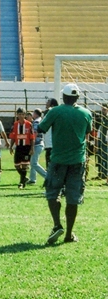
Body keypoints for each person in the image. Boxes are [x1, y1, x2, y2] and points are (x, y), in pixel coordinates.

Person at [38, 83, 93, 244]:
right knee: (73, 197)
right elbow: (88, 130)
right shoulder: (86, 113)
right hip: (78, 160)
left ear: (63, 97)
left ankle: (57, 225)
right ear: (77, 98)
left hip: (58, 159)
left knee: (53, 192)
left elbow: (41, 128)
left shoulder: (56, 111)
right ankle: (69, 233)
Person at [8, 107, 35, 189]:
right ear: (17, 115)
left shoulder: (29, 124)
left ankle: (21, 183)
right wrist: (11, 146)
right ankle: (24, 178)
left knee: (24, 165)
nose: (21, 116)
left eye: (22, 114)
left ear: (25, 115)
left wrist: (32, 148)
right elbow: (13, 137)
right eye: (19, 114)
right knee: (16, 165)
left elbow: (32, 138)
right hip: (19, 147)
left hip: (26, 147)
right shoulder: (15, 125)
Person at [29, 108, 47, 185]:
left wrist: (32, 143)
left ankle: (47, 176)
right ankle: (32, 179)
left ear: (36, 114)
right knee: (33, 161)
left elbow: (35, 133)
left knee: (34, 163)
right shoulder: (41, 120)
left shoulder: (36, 122)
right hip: (40, 143)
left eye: (33, 113)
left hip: (37, 144)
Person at [43, 98, 59, 173]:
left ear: (52, 104)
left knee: (50, 164)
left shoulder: (49, 112)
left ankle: (50, 180)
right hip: (53, 142)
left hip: (50, 143)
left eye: (48, 101)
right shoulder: (57, 112)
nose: (46, 103)